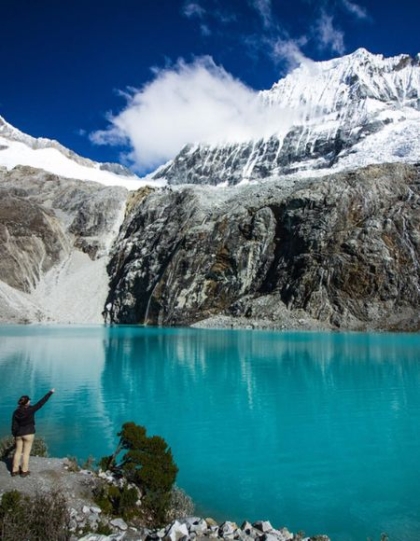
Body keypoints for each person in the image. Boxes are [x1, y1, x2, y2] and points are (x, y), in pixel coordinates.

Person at [11, 389, 55, 477]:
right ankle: (24, 471)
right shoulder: (31, 410)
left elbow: (14, 425)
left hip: (19, 434)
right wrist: (50, 392)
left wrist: (15, 435)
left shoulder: (16, 412)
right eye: (29, 400)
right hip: (29, 433)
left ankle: (14, 471)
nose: (30, 401)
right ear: (27, 403)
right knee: (26, 453)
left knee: (18, 452)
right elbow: (41, 403)